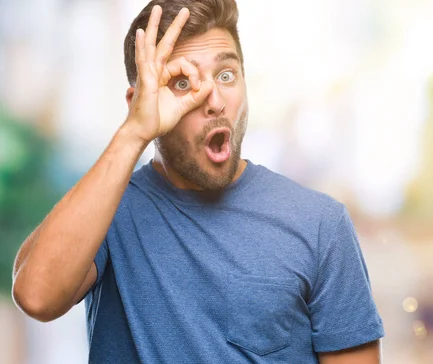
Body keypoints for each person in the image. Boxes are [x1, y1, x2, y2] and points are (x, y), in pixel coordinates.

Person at [11, 0, 385, 362]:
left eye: (227, 75)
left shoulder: (320, 225)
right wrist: (132, 134)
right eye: (181, 82)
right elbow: (37, 296)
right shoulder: (107, 212)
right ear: (140, 101)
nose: (215, 100)